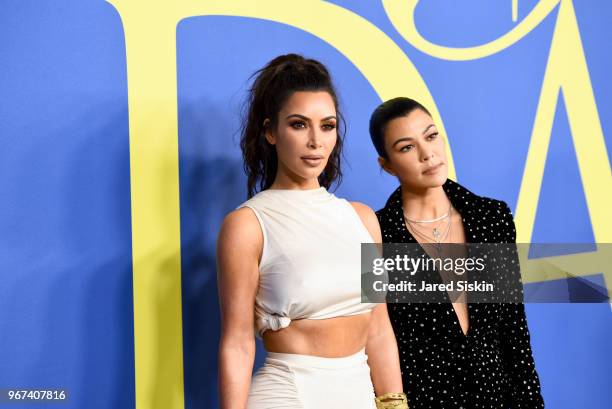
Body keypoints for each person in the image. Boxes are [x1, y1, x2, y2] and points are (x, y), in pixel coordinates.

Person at [216, 54, 407, 409]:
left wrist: (394, 403)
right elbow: (238, 342)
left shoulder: (362, 219)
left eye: (328, 125)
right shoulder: (247, 225)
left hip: (360, 395)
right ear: (271, 131)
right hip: (287, 396)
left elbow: (379, 328)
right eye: (299, 125)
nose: (316, 141)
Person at [369, 97, 545, 409]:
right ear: (387, 164)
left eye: (431, 136)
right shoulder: (377, 236)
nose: (428, 154)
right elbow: (375, 343)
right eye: (406, 147)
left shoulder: (491, 218)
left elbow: (514, 331)